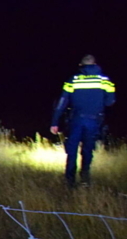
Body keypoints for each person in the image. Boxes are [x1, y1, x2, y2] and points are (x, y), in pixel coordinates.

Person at [49, 55, 116, 187]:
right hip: (94, 120)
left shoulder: (73, 80)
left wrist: (54, 122)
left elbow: (62, 103)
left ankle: (70, 181)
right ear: (95, 64)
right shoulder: (105, 81)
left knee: (72, 150)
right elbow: (110, 101)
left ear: (81, 65)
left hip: (76, 119)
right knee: (88, 150)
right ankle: (85, 178)